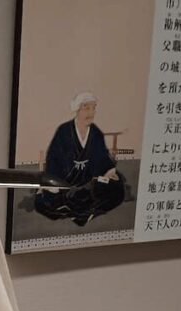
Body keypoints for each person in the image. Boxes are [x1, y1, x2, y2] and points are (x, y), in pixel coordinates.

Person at [24, 91, 125, 226]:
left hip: (88, 184)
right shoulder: (64, 132)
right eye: (86, 108)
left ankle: (76, 212)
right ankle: (81, 213)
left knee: (117, 189)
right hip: (65, 184)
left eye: (93, 108)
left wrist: (109, 173)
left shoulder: (95, 133)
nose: (91, 113)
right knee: (41, 203)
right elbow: (53, 160)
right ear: (77, 109)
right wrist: (54, 185)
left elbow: (103, 159)